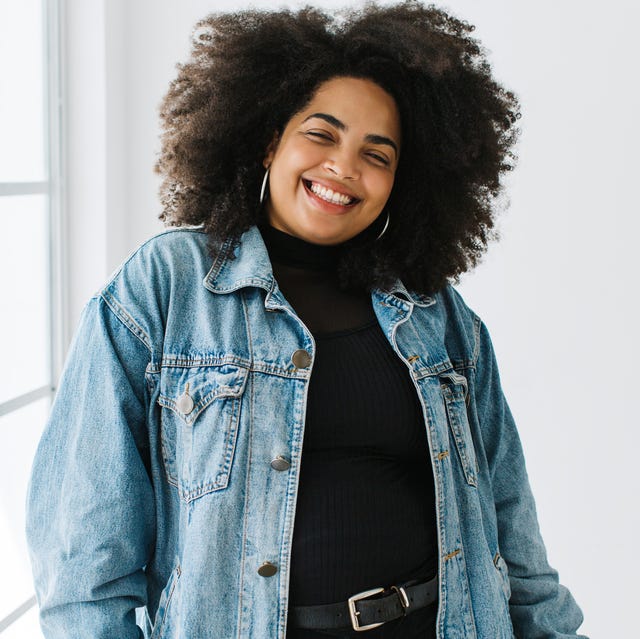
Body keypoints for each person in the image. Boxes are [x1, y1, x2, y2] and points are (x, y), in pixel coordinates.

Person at [26, 2, 587, 638]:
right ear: (271, 141)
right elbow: (82, 562)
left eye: (377, 155)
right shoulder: (166, 285)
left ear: (401, 181)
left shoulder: (436, 311)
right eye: (321, 135)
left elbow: (509, 522)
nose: (344, 168)